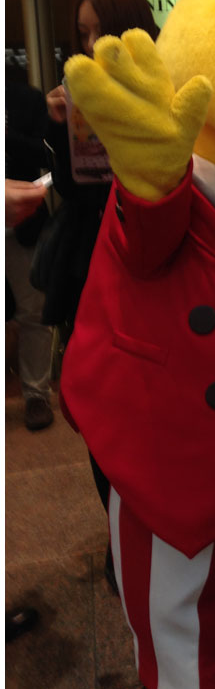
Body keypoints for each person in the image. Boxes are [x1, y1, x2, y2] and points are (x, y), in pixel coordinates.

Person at [41, 0, 159, 592]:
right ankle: (122, 541)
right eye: (82, 35)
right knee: (99, 414)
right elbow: (75, 192)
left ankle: (159, 531)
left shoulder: (161, 86)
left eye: (101, 32)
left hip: (150, 271)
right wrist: (62, 129)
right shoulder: (78, 95)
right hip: (90, 268)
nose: (90, 47)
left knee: (153, 414)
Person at [5, 71, 54, 432]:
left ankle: (37, 394)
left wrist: (6, 137)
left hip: (23, 219)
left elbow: (48, 153)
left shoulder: (26, 98)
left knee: (34, 310)